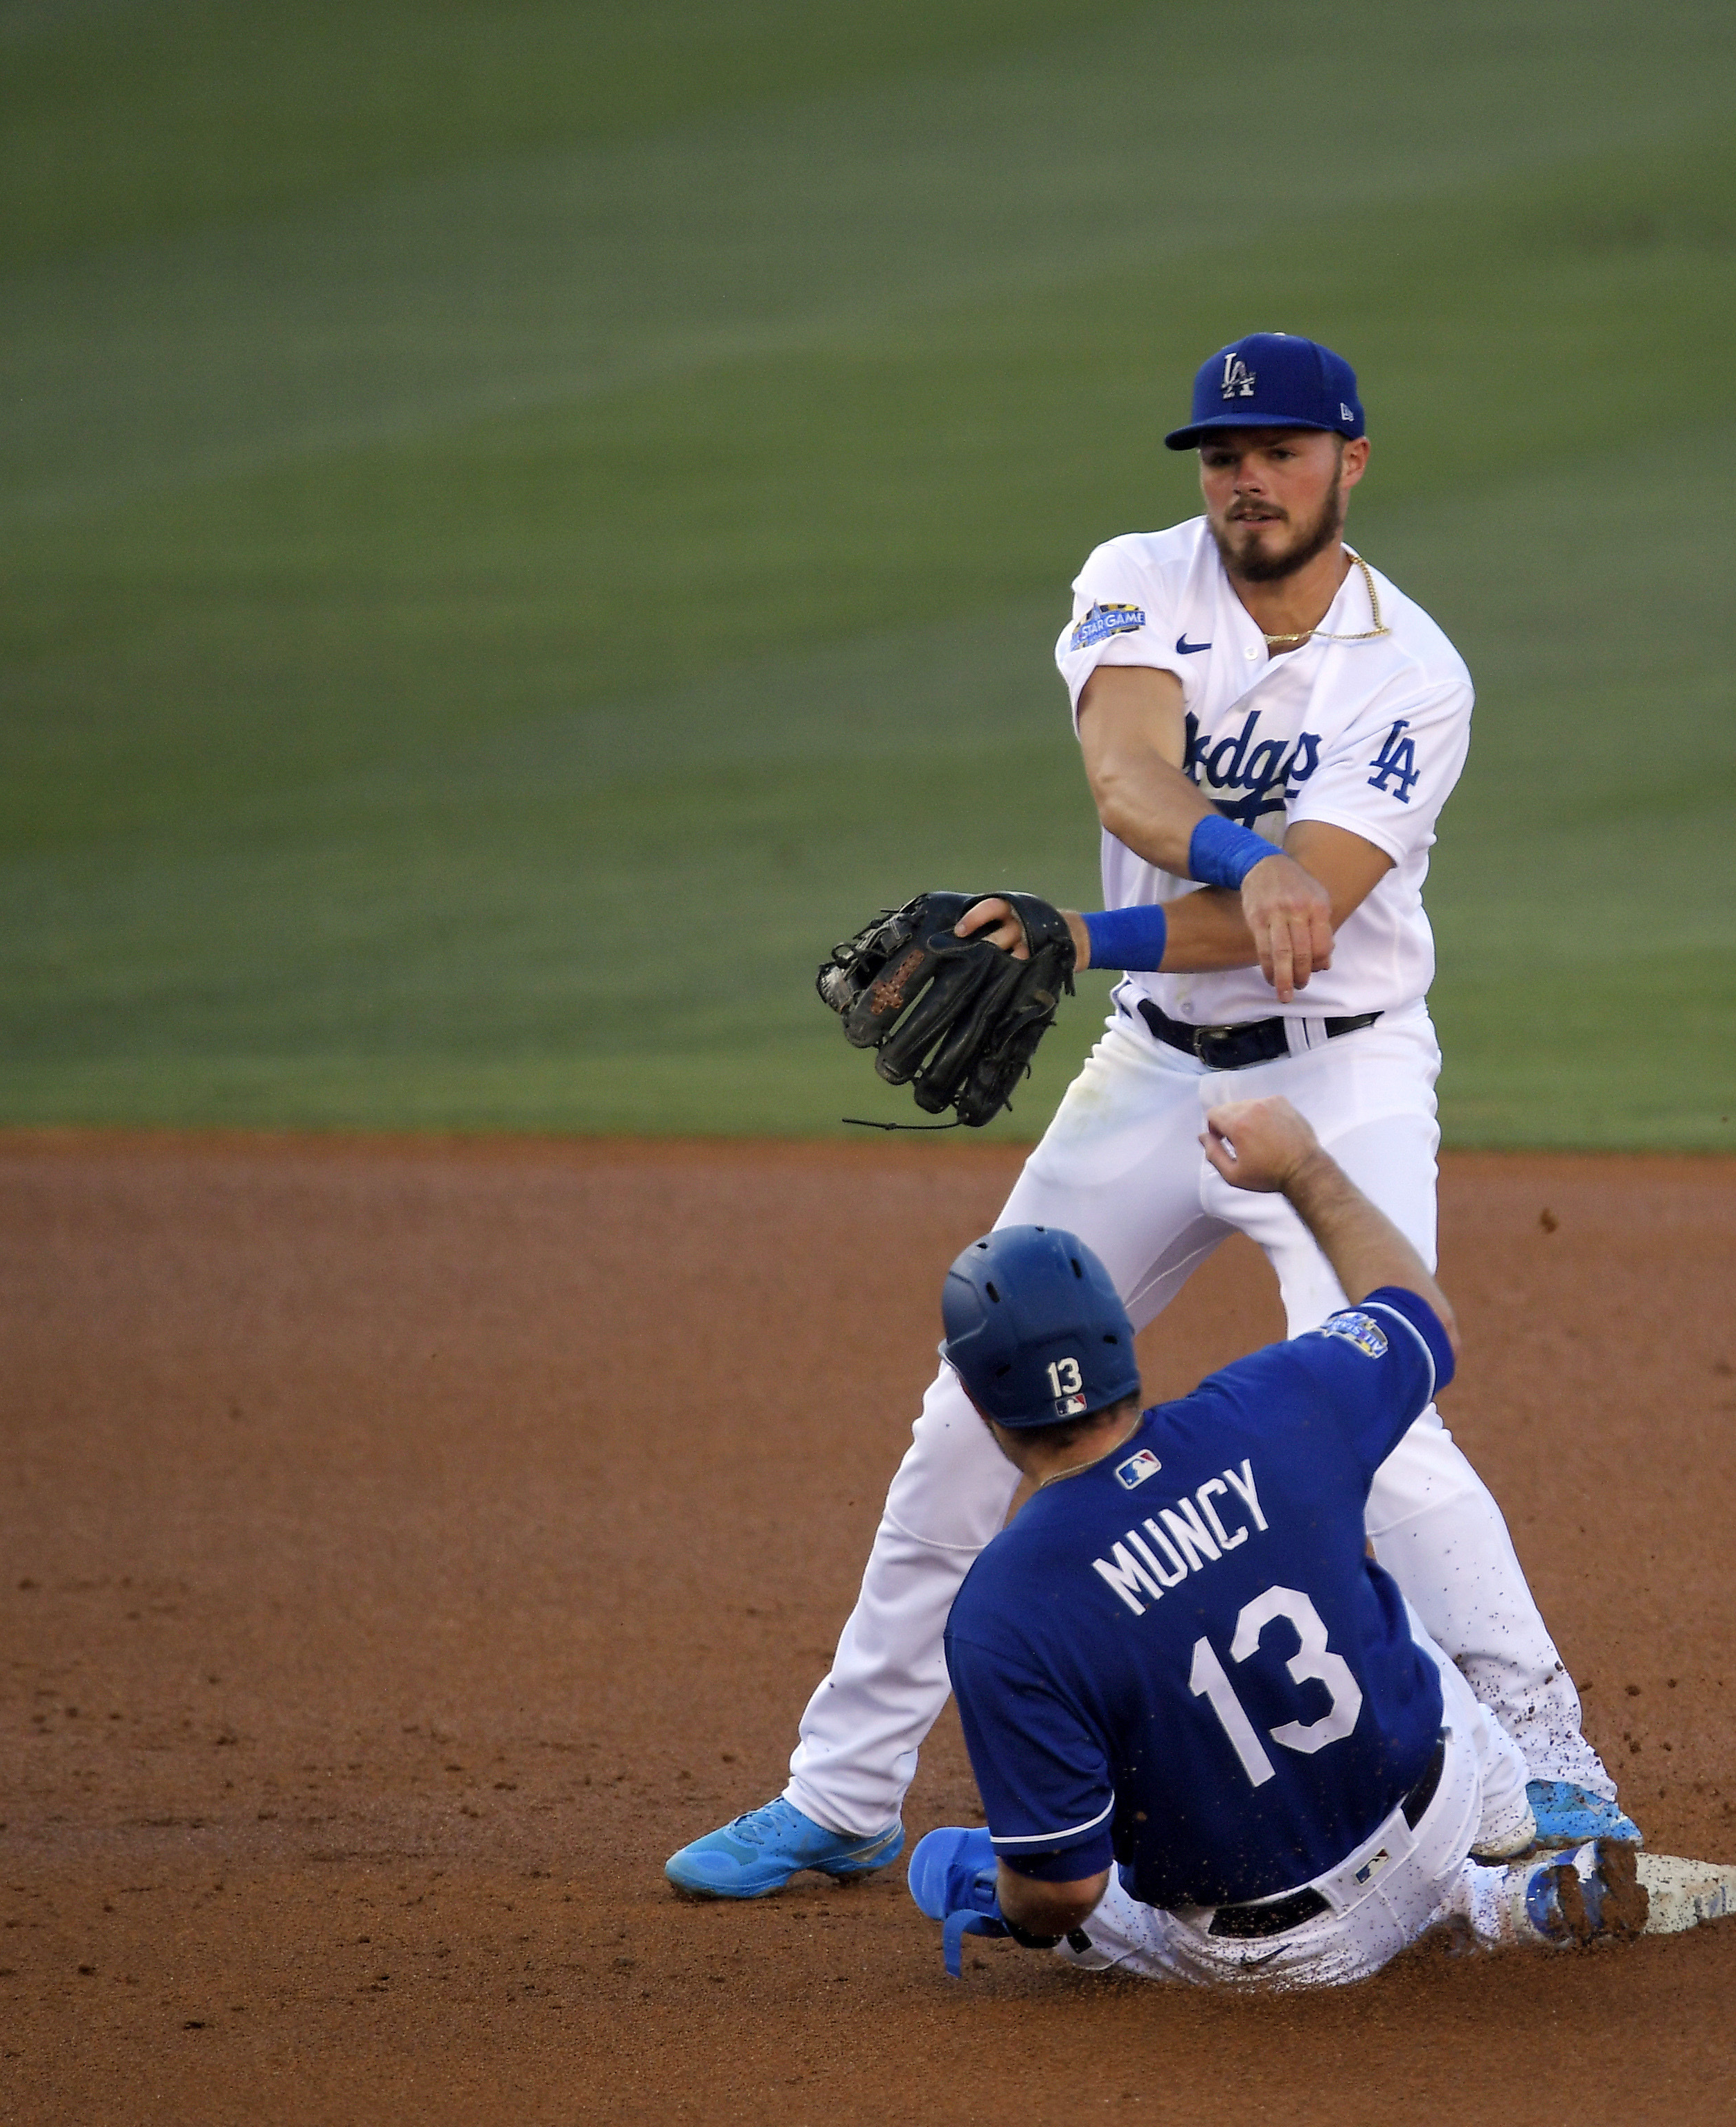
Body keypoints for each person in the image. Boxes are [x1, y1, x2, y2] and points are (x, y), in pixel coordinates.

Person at [668, 331, 1631, 1898]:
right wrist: (1225, 872)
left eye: (1281, 451)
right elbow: (1128, 775)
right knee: (960, 1426)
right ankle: (841, 1793)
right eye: (1222, 454)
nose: (1246, 479)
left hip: (1343, 1067)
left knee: (1391, 1431)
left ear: (1352, 462)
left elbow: (1311, 908)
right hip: (1154, 1067)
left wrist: (1088, 926)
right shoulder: (1138, 576)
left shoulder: (1415, 670)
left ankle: (1561, 1766)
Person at [910, 1097, 1646, 1986]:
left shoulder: (1002, 1610)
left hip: (1281, 1950)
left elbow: (1064, 1891)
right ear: (1121, 1341)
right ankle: (1495, 1887)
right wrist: (1303, 1168)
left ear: (983, 1406)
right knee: (1372, 1586)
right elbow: (1419, 1316)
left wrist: (1019, 1898)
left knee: (1037, 1872)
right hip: (1447, 1803)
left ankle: (1487, 1907)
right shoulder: (1281, 1400)